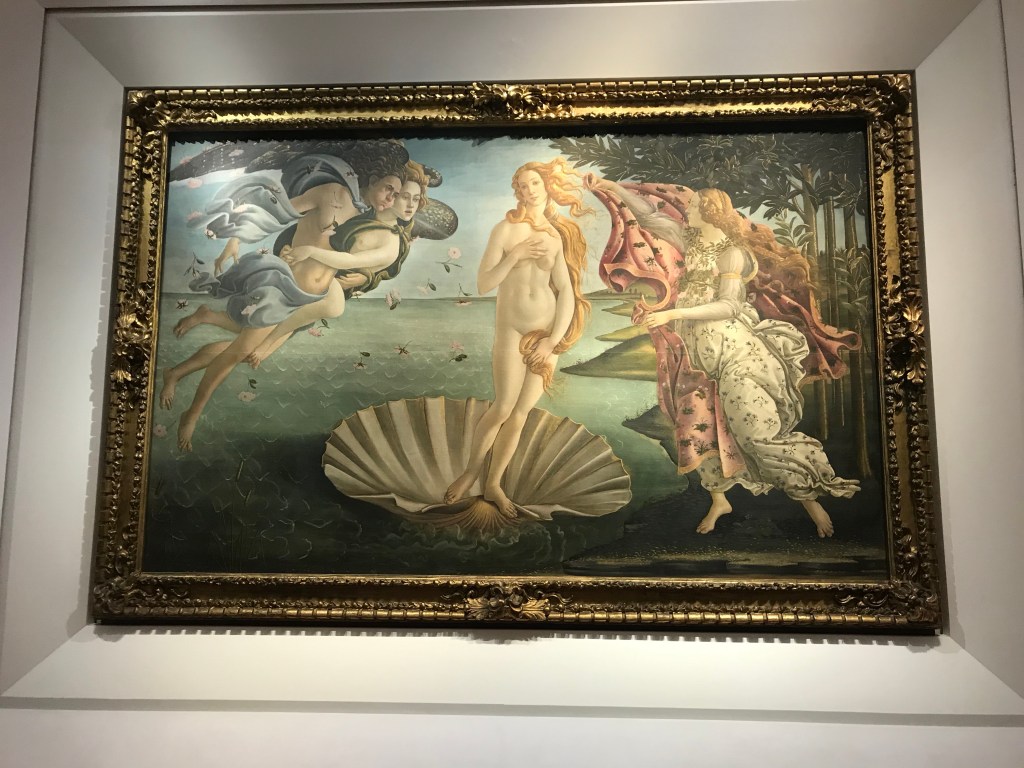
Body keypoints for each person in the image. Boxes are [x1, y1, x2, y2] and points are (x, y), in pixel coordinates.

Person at [586, 175, 859, 538]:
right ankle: (719, 500)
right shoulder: (691, 239)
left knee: (754, 433)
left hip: (734, 352)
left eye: (696, 206)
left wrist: (672, 313)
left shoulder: (732, 253)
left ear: (712, 212)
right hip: (696, 353)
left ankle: (811, 501)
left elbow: (729, 306)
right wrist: (611, 187)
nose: (688, 209)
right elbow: (648, 217)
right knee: (695, 425)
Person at [161, 153, 409, 451]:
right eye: (388, 189)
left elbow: (357, 260)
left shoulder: (365, 220)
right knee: (240, 351)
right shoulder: (332, 193)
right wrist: (235, 238)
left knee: (240, 346)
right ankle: (191, 414)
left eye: (396, 194)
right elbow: (275, 212)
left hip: (308, 299)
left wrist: (361, 276)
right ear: (372, 180)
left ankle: (179, 366)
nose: (391, 198)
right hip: (282, 286)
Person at [444, 158, 591, 517]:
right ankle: (471, 472)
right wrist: (517, 255)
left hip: (545, 333)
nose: (529, 191)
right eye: (522, 186)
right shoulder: (505, 231)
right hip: (511, 329)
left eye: (534, 183)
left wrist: (552, 341)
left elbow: (565, 291)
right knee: (503, 407)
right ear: (518, 192)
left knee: (521, 412)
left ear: (547, 186)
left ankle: (494, 484)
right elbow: (484, 284)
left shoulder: (555, 235)